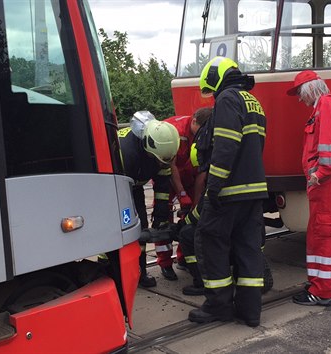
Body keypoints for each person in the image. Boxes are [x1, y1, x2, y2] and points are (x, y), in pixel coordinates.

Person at [187, 56, 268, 328]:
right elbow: (258, 146)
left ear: (216, 77)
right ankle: (250, 311)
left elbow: (226, 145)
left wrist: (214, 188)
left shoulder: (228, 99)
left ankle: (218, 306)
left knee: (209, 240)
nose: (211, 95)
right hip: (255, 191)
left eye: (210, 88)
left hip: (229, 191)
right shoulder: (253, 101)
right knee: (248, 247)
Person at [286, 70, 331, 306]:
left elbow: (330, 146)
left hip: (327, 182)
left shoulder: (326, 105)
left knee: (320, 235)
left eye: (300, 94)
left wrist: (319, 174)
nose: (299, 99)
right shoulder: (328, 104)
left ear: (309, 90)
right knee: (325, 234)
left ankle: (322, 292)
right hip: (330, 181)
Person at [118, 112, 180, 288]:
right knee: (120, 230)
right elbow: (119, 190)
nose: (163, 165)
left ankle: (140, 273)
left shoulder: (161, 150)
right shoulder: (127, 154)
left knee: (142, 229)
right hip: (116, 186)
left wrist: (161, 214)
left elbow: (162, 186)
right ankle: (112, 273)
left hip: (134, 185)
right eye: (160, 161)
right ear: (148, 148)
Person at [154, 107, 212, 281]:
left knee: (190, 217)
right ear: (193, 121)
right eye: (200, 130)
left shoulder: (207, 130)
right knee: (163, 218)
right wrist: (181, 193)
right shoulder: (175, 131)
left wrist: (194, 202)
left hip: (191, 176)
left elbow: (203, 171)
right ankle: (164, 262)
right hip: (167, 177)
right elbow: (171, 166)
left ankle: (184, 257)